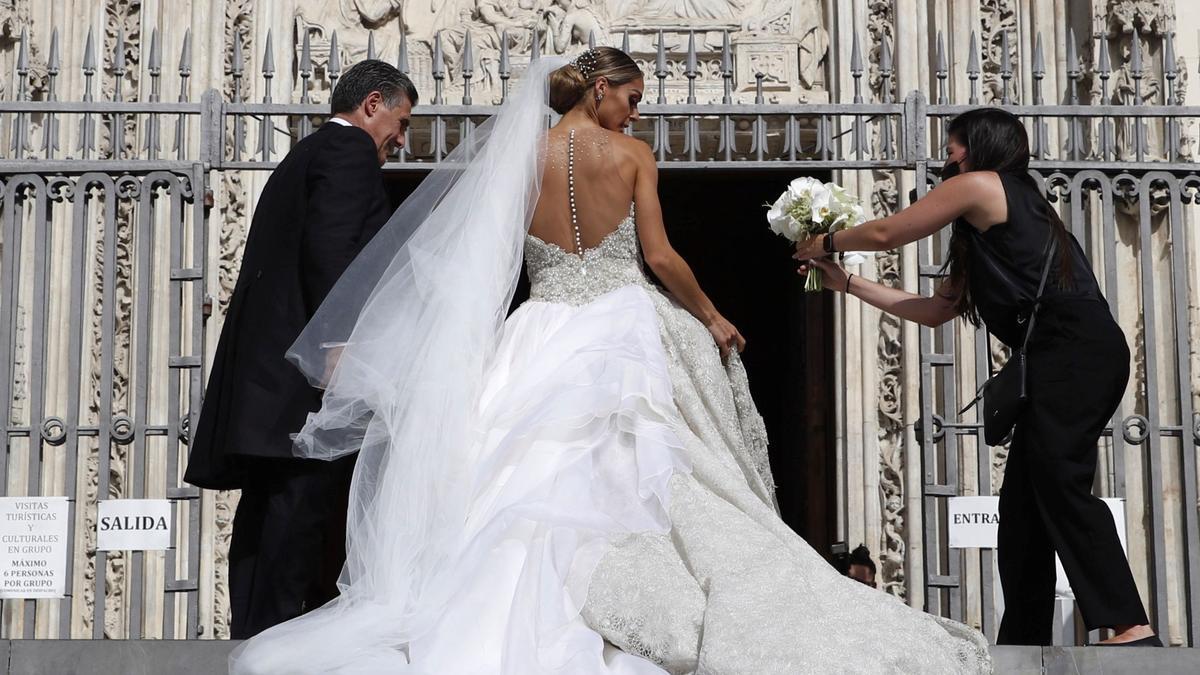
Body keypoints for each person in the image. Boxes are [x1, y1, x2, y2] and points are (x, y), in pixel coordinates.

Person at [231, 49, 990, 673]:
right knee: (638, 471)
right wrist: (714, 314)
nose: (638, 112)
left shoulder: (521, 157)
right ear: (600, 91)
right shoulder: (628, 155)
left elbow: (483, 263)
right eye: (632, 97)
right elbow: (658, 255)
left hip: (539, 328)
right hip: (618, 325)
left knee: (510, 476)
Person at [793, 107, 1158, 648]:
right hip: (1057, 359)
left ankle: (1131, 624)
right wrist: (845, 282)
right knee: (1020, 512)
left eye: (954, 146)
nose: (946, 156)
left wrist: (823, 241)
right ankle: (1025, 640)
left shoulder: (985, 186)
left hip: (1076, 353)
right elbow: (933, 309)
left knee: (1059, 482)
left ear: (980, 147)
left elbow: (892, 230)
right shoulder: (980, 226)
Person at [184, 60, 416, 639]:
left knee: (266, 520)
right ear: (372, 105)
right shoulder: (349, 154)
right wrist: (337, 346)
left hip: (269, 382)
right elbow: (331, 249)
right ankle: (284, 645)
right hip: (305, 384)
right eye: (401, 121)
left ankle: (256, 641)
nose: (402, 138)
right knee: (302, 515)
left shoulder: (303, 155)